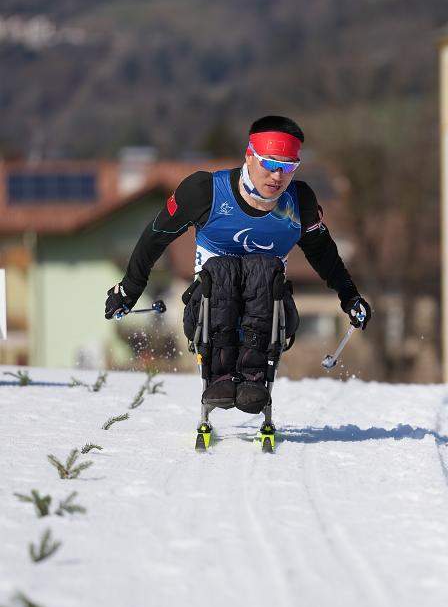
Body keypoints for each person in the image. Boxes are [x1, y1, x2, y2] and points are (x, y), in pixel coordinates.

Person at [104, 115, 371, 411]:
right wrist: (128, 289)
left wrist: (350, 297)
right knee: (224, 268)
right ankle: (221, 371)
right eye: (269, 163)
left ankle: (254, 375)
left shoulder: (299, 202)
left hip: (271, 318)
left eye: (288, 167)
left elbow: (324, 254)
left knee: (263, 268)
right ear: (249, 156)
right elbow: (155, 236)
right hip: (208, 313)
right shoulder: (205, 191)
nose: (277, 176)